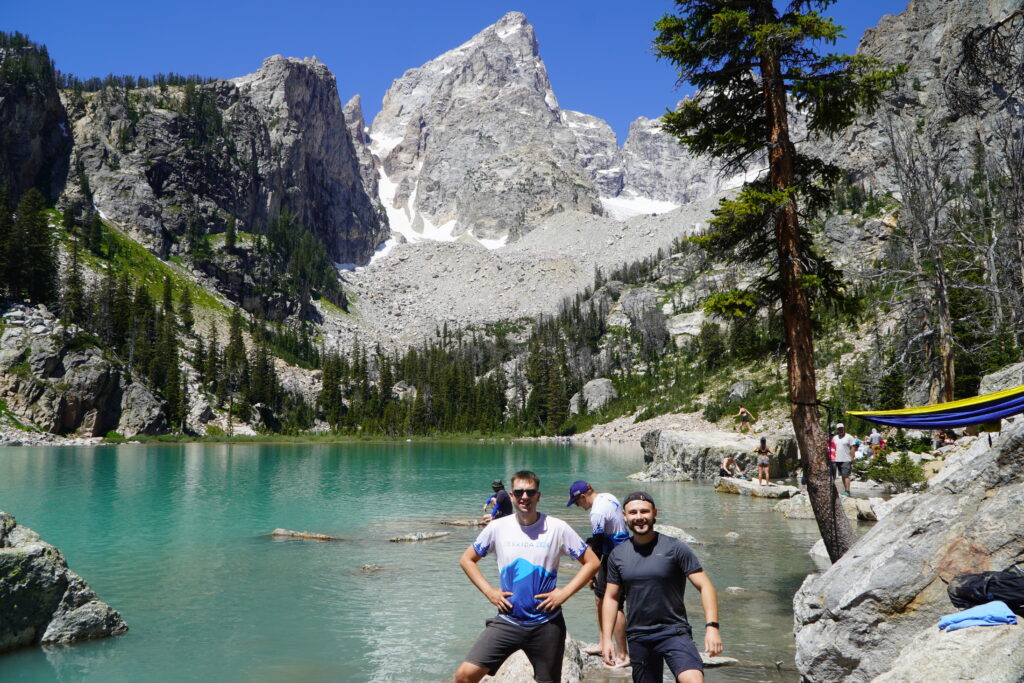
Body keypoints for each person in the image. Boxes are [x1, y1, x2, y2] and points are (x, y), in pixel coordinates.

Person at [455, 470, 601, 683]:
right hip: (507, 620)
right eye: (519, 492)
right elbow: (467, 559)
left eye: (530, 492)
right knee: (464, 676)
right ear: (512, 496)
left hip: (547, 623)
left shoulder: (557, 528)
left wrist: (564, 593)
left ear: (538, 496)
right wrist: (490, 592)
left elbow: (593, 562)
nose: (525, 496)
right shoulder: (498, 527)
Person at [601, 492, 722, 683]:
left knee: (693, 679)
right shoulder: (618, 555)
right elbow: (611, 598)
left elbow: (705, 586)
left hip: (674, 630)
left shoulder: (675, 548)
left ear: (654, 513)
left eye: (644, 511)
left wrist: (712, 627)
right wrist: (607, 640)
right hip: (639, 635)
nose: (639, 517)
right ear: (624, 516)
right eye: (633, 512)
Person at [566, 481, 631, 667]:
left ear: (583, 497)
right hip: (622, 550)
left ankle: (623, 654)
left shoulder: (596, 513)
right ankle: (603, 643)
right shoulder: (608, 496)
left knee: (615, 604)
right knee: (599, 597)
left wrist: (590, 574)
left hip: (613, 557)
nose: (580, 507)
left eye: (578, 503)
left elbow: (597, 549)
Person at [831, 423, 857, 497]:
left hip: (846, 458)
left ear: (844, 428)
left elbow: (853, 447)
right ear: (837, 429)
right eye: (839, 428)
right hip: (837, 459)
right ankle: (845, 490)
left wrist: (852, 457)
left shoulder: (849, 437)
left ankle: (847, 490)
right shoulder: (835, 437)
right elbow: (832, 447)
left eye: (841, 428)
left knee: (846, 475)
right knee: (842, 475)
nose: (840, 429)